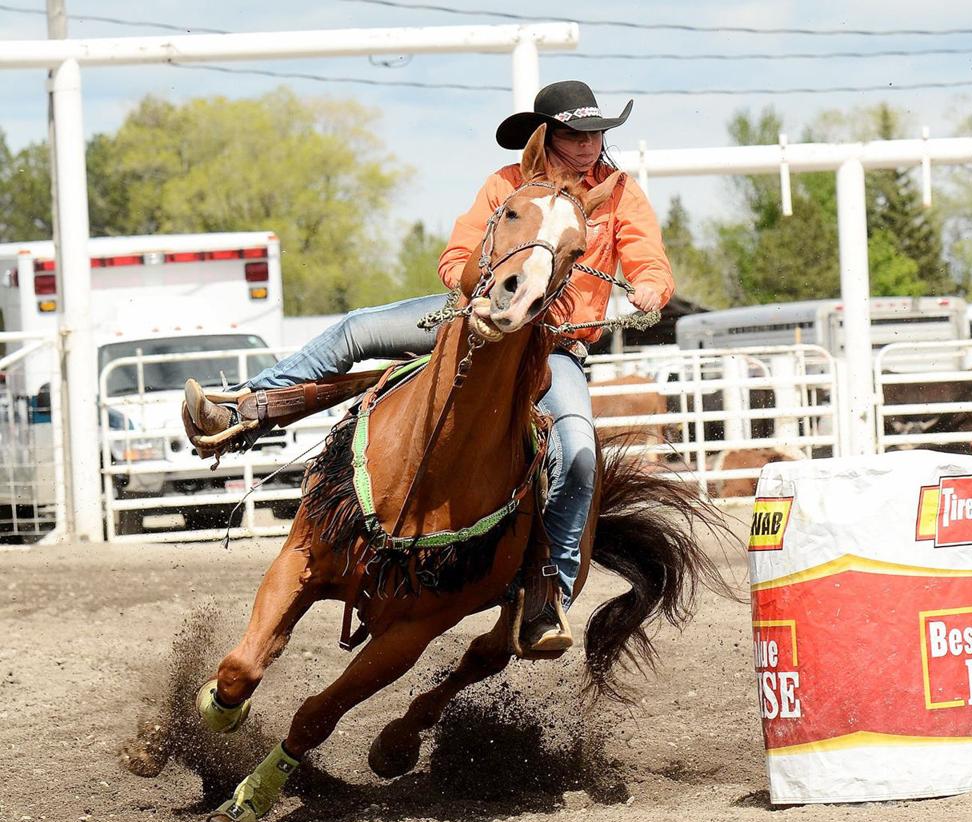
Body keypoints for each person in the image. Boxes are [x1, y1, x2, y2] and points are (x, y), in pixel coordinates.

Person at [183, 80, 675, 651]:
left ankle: (547, 596)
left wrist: (648, 288)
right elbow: (456, 258)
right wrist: (482, 291)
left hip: (553, 344)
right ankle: (242, 408)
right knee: (356, 329)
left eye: (596, 133)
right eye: (574, 134)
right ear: (546, 137)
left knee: (581, 458)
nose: (589, 146)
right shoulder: (505, 185)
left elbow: (648, 259)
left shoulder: (618, 195)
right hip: (472, 315)